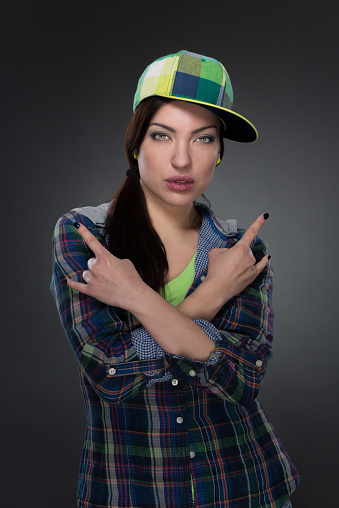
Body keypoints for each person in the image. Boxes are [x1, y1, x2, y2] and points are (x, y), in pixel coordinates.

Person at [51, 50, 299, 508]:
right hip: (131, 489)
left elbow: (243, 381)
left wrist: (138, 300)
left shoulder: (242, 252)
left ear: (220, 153)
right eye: (162, 135)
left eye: (203, 139)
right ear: (135, 144)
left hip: (245, 487)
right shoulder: (85, 237)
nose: (182, 159)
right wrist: (210, 299)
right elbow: (110, 373)